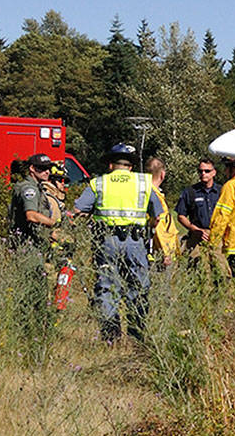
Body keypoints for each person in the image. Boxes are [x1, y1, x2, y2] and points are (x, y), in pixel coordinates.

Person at [74, 143, 164, 342]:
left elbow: (78, 210)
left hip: (106, 242)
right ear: (131, 166)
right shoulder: (144, 183)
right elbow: (157, 216)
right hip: (136, 242)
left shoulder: (98, 183)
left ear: (110, 165)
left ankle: (111, 337)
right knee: (138, 287)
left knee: (106, 287)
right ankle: (136, 334)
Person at [9, 153, 55, 248]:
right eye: (42, 168)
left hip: (31, 242)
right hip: (26, 244)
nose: (47, 172)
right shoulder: (30, 189)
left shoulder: (36, 186)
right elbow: (31, 215)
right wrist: (54, 224)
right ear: (32, 168)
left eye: (48, 168)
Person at [175, 158, 221, 254]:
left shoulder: (222, 191)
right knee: (195, 266)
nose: (203, 173)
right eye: (200, 171)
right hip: (196, 236)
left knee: (219, 267)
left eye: (207, 171)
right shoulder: (190, 192)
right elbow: (181, 216)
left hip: (217, 237)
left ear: (214, 173)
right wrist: (195, 229)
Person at [146, 156, 180, 268]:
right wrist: (166, 253)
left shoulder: (144, 193)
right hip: (158, 252)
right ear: (162, 174)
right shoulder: (156, 198)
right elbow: (159, 226)